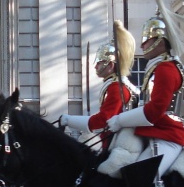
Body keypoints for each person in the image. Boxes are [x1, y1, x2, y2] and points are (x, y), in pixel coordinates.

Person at [106, 0, 184, 187]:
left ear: (160, 41)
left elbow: (155, 112)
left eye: (148, 40)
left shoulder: (166, 69)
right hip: (155, 134)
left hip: (167, 136)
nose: (144, 45)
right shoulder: (161, 68)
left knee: (139, 177)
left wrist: (120, 121)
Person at [59, 20, 139, 151]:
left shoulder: (116, 88)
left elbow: (103, 120)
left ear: (111, 65)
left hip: (117, 142)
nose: (96, 66)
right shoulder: (116, 85)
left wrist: (70, 120)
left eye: (100, 62)